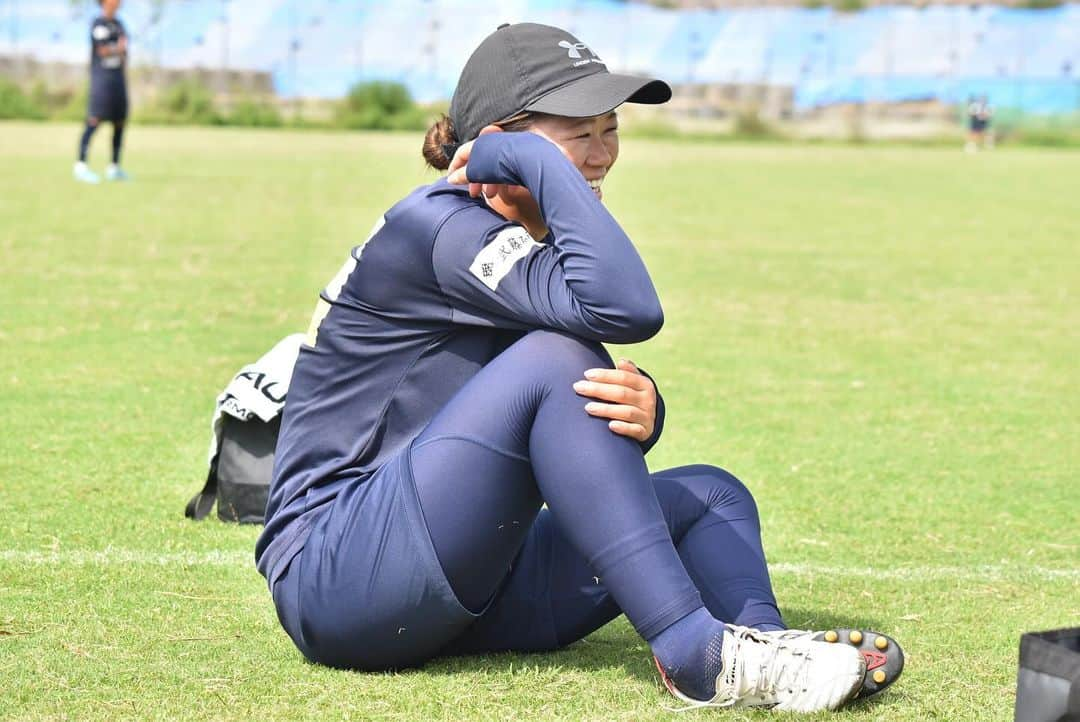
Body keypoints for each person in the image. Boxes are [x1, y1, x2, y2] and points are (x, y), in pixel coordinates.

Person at [256, 22, 904, 713]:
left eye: (610, 129)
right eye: (578, 135)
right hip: (339, 578)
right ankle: (695, 654)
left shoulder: (508, 242)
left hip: (463, 583)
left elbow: (551, 415)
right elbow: (627, 312)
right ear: (502, 143)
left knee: (712, 496)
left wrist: (645, 410)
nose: (600, 156)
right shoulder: (440, 227)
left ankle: (763, 651)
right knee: (560, 358)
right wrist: (534, 164)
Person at [74, 0, 130, 184]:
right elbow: (103, 50)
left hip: (118, 80)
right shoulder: (98, 24)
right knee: (94, 120)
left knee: (119, 121)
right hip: (102, 81)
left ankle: (114, 167)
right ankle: (81, 166)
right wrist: (117, 49)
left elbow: (125, 52)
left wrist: (120, 51)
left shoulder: (120, 25)